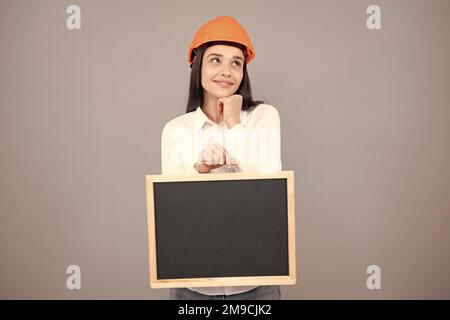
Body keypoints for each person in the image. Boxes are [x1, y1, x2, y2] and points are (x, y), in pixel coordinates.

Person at [161, 16, 282, 300]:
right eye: (216, 60)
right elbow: (174, 213)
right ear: (198, 66)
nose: (226, 71)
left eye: (236, 62)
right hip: (192, 287)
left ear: (244, 71)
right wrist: (200, 171)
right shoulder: (176, 130)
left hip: (257, 284)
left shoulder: (265, 117)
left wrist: (234, 122)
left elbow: (269, 188)